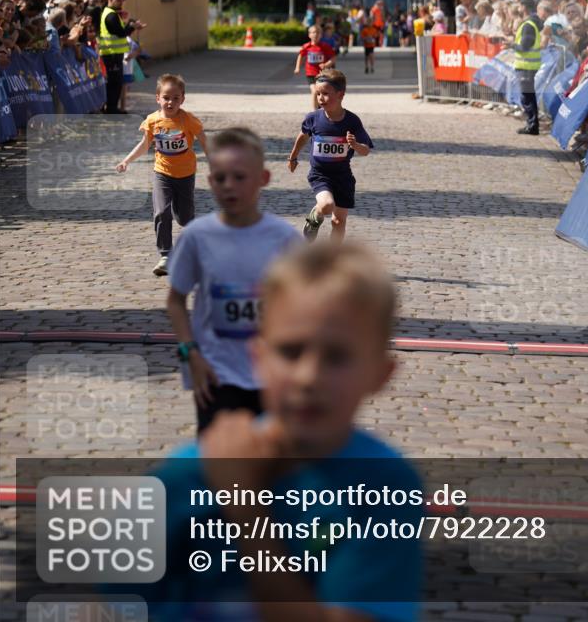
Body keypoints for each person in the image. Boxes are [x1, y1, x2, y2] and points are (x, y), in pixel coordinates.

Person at [147, 241, 422, 621]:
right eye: (291, 352)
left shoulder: (385, 487)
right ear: (257, 358)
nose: (309, 377)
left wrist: (244, 506)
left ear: (380, 374)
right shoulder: (184, 476)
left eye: (337, 357)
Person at [165, 127, 301, 433]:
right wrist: (190, 353)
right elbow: (175, 300)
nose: (230, 186)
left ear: (263, 179)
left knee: (273, 472)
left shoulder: (285, 239)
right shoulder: (197, 237)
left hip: (273, 379)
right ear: (210, 181)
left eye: (240, 177)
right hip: (216, 375)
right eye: (221, 178)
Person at [116, 73, 207, 276]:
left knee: (184, 218)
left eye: (176, 98)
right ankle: (166, 255)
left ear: (182, 99)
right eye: (166, 97)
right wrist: (126, 161)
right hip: (162, 174)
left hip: (185, 174)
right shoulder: (152, 121)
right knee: (161, 212)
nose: (170, 102)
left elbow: (203, 138)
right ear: (158, 98)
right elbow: (144, 145)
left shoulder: (188, 120)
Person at [288, 69, 373, 243]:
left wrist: (355, 145)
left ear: (341, 95)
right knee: (326, 205)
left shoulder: (352, 121)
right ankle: (315, 216)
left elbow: (365, 150)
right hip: (320, 174)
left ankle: (333, 260)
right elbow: (303, 136)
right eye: (318, 94)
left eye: (326, 94)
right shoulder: (313, 118)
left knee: (338, 221)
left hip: (343, 177)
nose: (320, 98)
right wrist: (293, 157)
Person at [98, 0, 146, 114]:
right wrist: (132, 27)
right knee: (115, 82)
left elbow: (121, 30)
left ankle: (112, 107)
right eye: (118, 1)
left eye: (122, 1)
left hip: (113, 53)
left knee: (116, 82)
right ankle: (111, 108)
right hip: (111, 53)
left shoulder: (111, 13)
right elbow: (121, 33)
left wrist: (131, 26)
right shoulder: (111, 15)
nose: (120, 3)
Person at [511, 0, 543, 135]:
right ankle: (532, 124)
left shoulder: (528, 25)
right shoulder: (531, 23)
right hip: (527, 65)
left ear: (524, 7)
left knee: (527, 97)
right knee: (528, 96)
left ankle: (532, 125)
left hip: (526, 66)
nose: (518, 8)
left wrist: (510, 44)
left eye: (520, 5)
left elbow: (524, 46)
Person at [294, 24, 335, 109]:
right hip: (311, 73)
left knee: (321, 92)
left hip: (322, 74)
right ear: (309, 35)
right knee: (314, 91)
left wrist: (326, 65)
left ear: (321, 35)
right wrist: (297, 68)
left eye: (317, 33)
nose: (315, 34)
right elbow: (300, 56)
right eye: (313, 32)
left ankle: (321, 108)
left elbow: (333, 58)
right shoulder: (307, 46)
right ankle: (314, 112)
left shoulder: (325, 46)